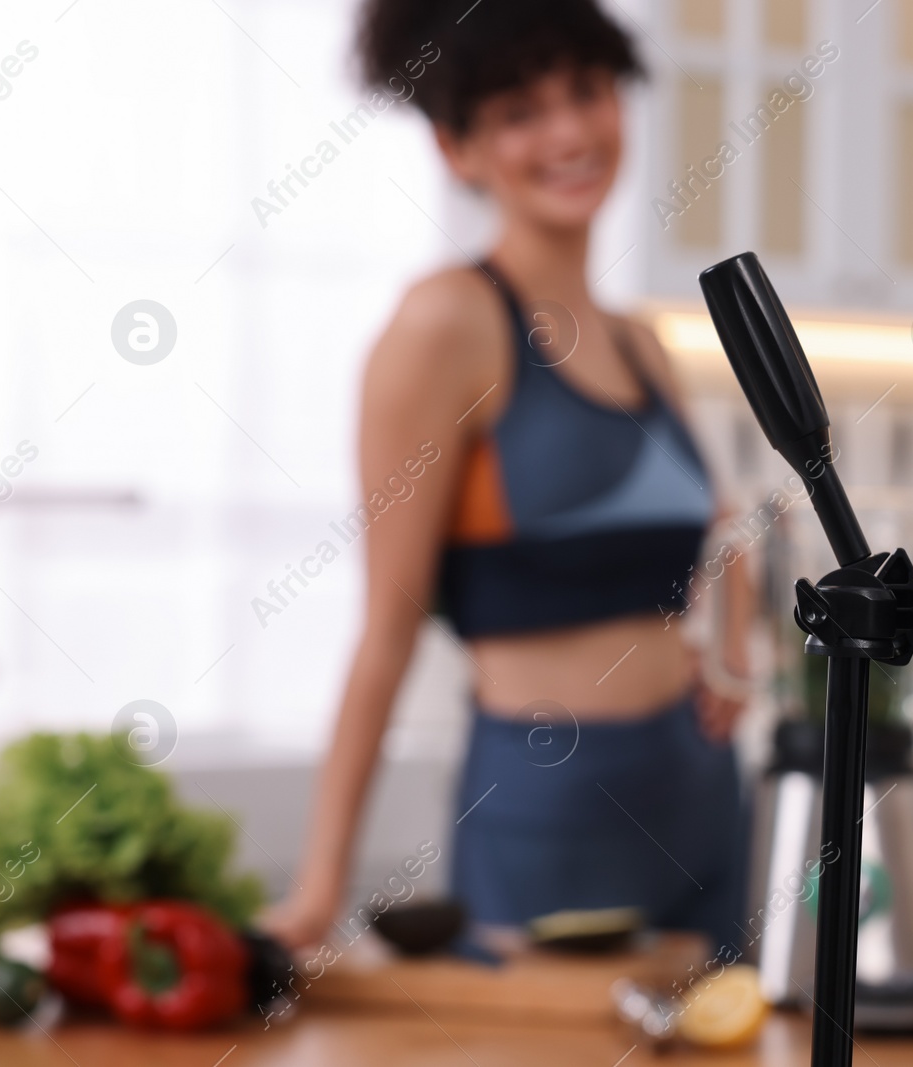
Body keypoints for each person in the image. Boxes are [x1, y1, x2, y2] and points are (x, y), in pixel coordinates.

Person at [261, 0, 753, 956]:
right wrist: (318, 889)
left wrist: (738, 652)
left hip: (702, 797)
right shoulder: (445, 325)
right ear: (458, 147)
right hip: (547, 811)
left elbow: (727, 527)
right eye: (521, 111)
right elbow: (385, 634)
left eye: (586, 92)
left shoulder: (642, 340)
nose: (569, 131)